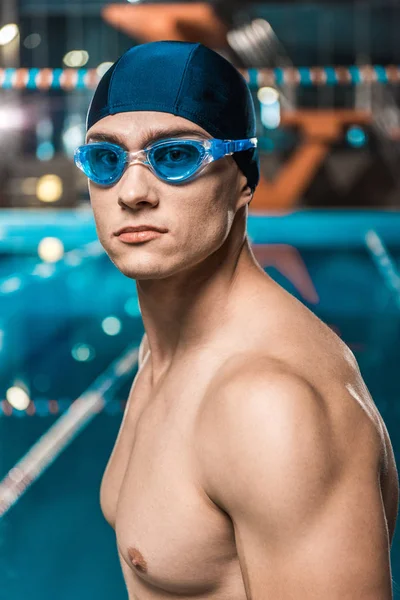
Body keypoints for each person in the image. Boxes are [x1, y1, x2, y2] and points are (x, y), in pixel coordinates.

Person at [75, 41, 399, 599]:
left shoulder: (270, 405)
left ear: (244, 178)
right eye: (106, 159)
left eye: (175, 156)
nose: (131, 193)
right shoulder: (168, 347)